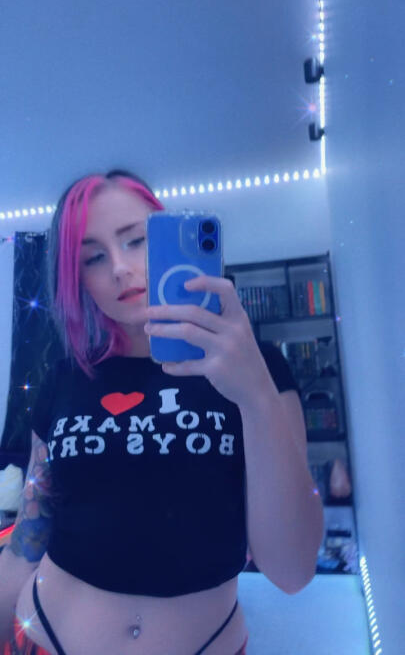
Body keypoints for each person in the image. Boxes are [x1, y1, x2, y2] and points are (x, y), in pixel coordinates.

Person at [0, 169, 304, 655]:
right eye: (94, 257)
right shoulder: (65, 378)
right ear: (79, 280)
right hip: (42, 637)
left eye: (137, 240)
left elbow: (292, 569)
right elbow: (28, 539)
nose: (120, 268)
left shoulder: (256, 369)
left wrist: (256, 394)